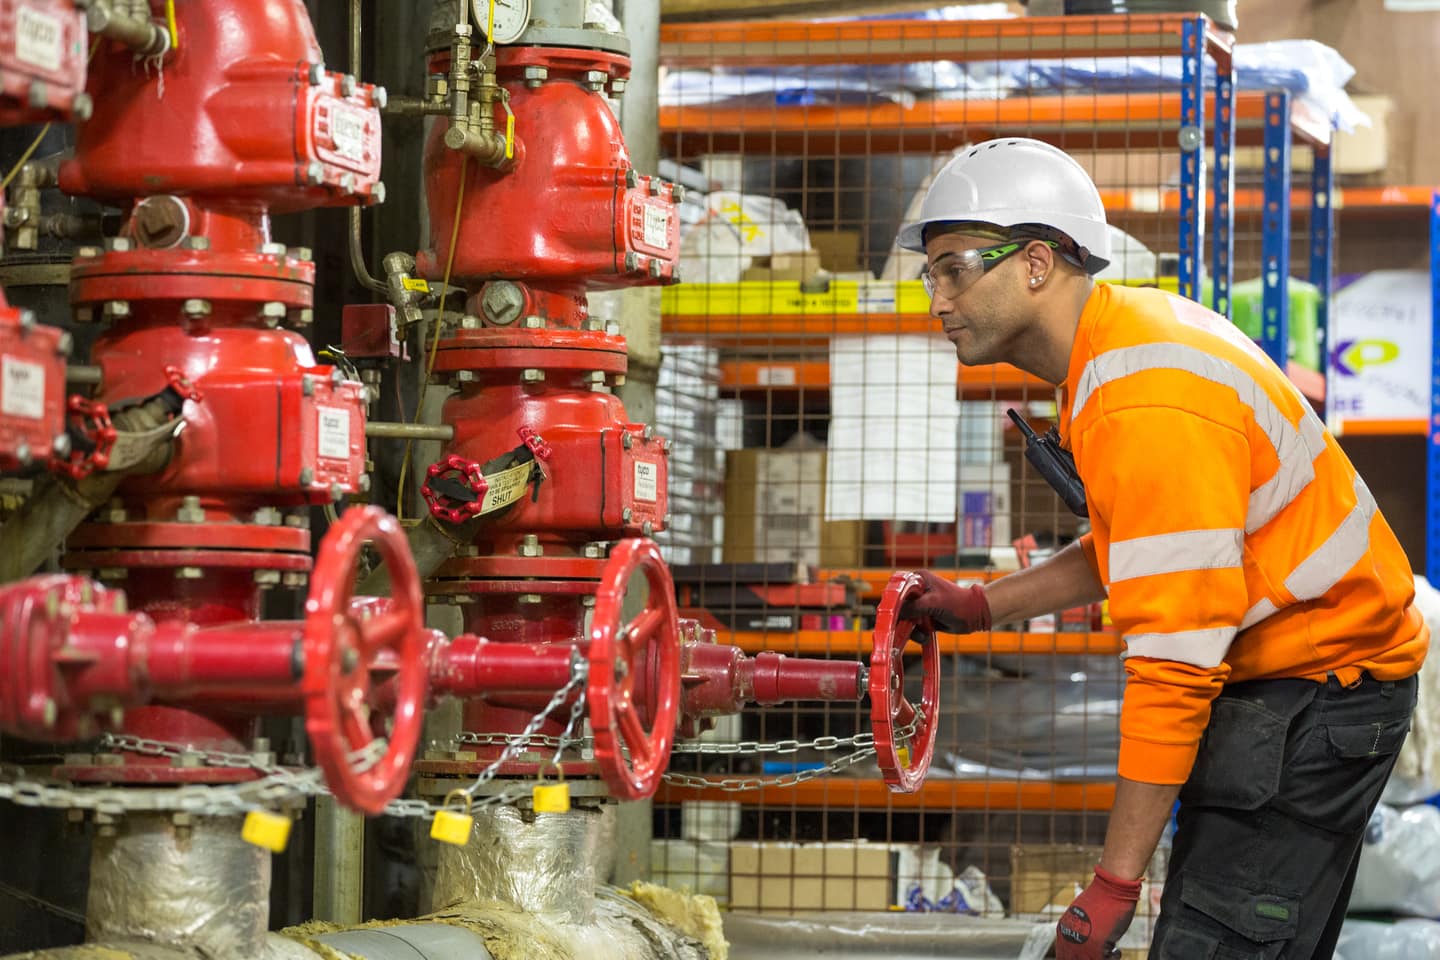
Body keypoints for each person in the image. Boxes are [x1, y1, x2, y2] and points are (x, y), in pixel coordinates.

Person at [892, 137, 1428, 959]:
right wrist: (985, 604)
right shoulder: (1109, 360)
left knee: (1216, 940)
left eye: (955, 266)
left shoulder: (1142, 395)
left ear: (1037, 262)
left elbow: (1175, 663)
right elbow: (1136, 545)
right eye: (933, 274)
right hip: (1317, 680)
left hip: (1317, 689)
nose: (938, 296)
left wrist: (1111, 888)